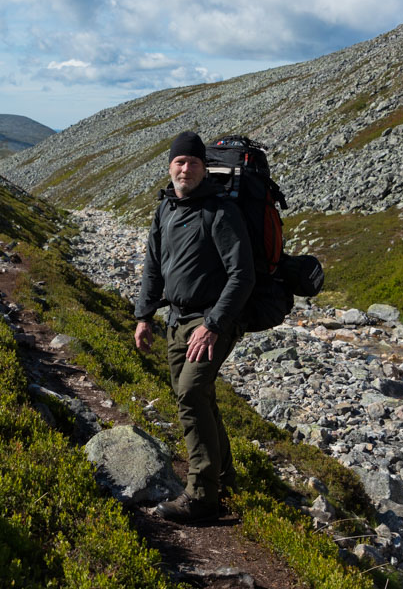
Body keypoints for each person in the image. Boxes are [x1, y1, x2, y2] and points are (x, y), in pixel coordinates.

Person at [133, 130, 254, 523]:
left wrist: (214, 324)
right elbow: (153, 265)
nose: (186, 169)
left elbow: (242, 275)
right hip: (176, 320)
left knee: (189, 392)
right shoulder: (165, 208)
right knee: (196, 397)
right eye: (179, 162)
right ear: (170, 167)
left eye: (193, 163)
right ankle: (224, 478)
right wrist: (143, 315)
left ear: (204, 169)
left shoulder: (220, 212)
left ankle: (202, 498)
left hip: (211, 321)